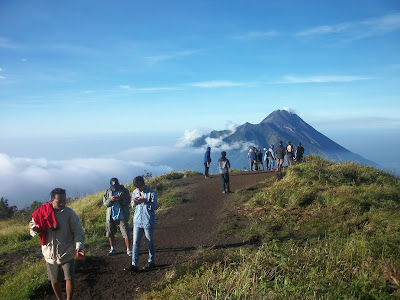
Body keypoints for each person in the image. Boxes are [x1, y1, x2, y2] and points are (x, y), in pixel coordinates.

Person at [29, 188, 84, 300]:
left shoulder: (69, 213)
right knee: (54, 280)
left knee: (69, 277)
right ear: (51, 200)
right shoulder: (42, 212)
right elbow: (33, 224)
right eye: (59, 201)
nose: (62, 203)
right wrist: (35, 229)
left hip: (67, 251)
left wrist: (79, 247)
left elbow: (77, 230)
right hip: (49, 253)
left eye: (64, 200)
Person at [125, 176, 158, 272]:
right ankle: (134, 264)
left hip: (148, 220)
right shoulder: (135, 192)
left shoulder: (152, 192)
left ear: (143, 184)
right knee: (135, 243)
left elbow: (155, 206)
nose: (138, 189)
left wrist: (146, 202)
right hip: (137, 221)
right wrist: (135, 202)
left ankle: (151, 261)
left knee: (149, 241)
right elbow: (132, 206)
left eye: (139, 187)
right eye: (137, 187)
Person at [103, 177, 132, 256]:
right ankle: (112, 248)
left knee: (125, 232)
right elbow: (105, 203)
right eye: (113, 187)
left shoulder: (124, 190)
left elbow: (127, 201)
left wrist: (120, 199)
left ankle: (129, 249)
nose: (114, 188)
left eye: (116, 186)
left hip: (122, 215)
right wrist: (110, 200)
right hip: (110, 216)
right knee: (110, 233)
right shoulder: (108, 191)